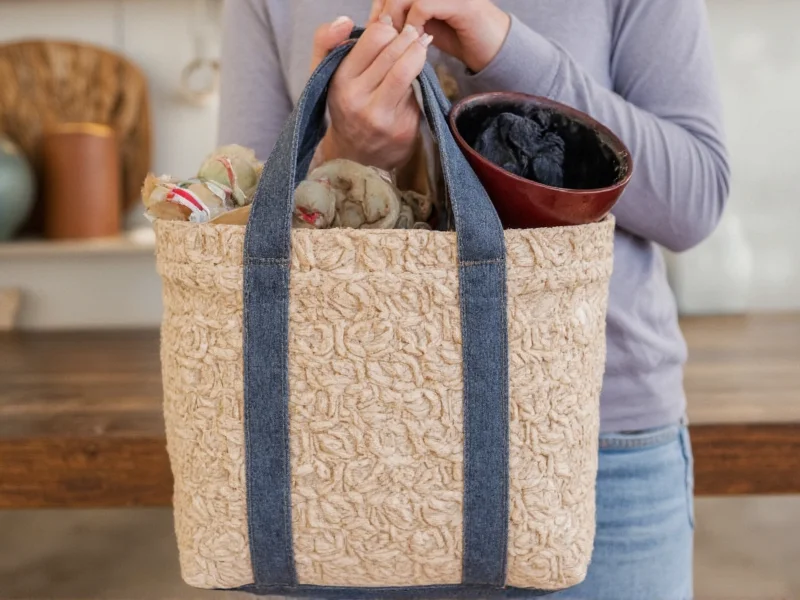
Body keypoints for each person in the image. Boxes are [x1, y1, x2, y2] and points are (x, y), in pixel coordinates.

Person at [218, 0, 729, 597]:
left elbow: (694, 201)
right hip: (338, 445)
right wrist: (345, 155)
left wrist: (511, 54)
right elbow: (236, 229)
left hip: (595, 449)